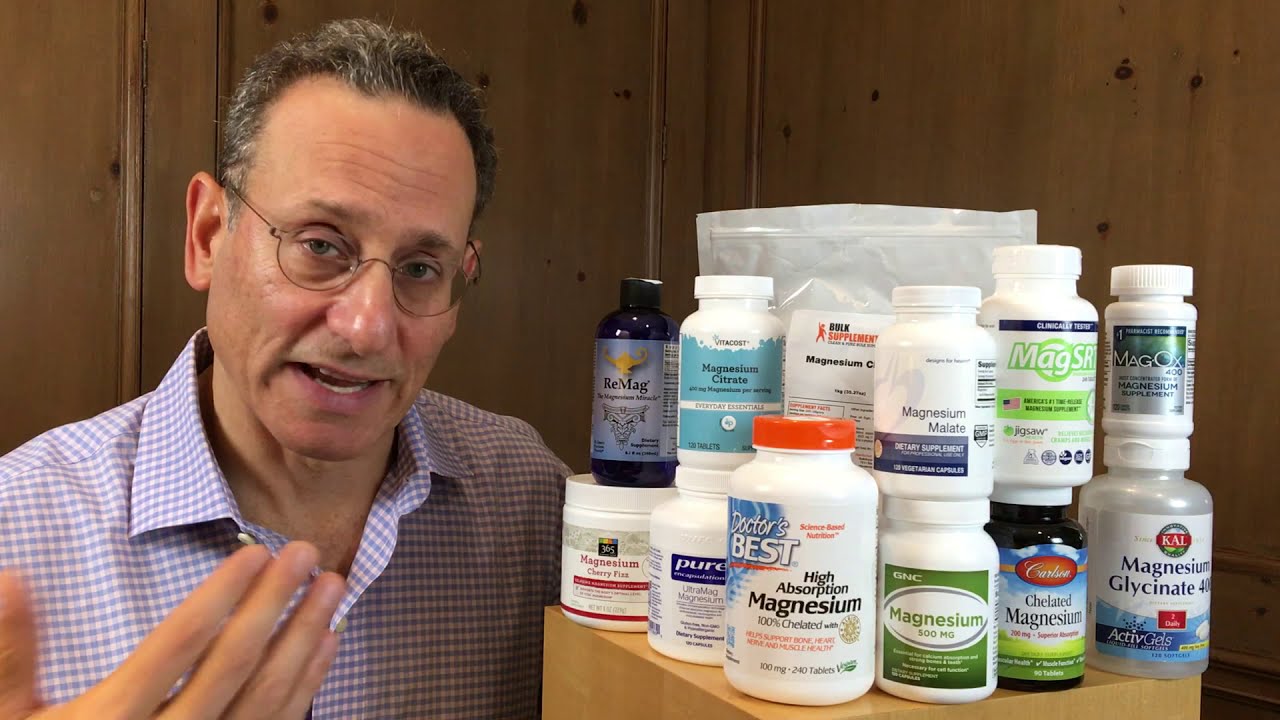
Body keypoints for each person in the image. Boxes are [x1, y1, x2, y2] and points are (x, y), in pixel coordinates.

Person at [0, 18, 569, 719]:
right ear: (209, 235)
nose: (366, 326)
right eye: (320, 246)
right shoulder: (16, 527)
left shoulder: (535, 505)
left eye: (421, 268)